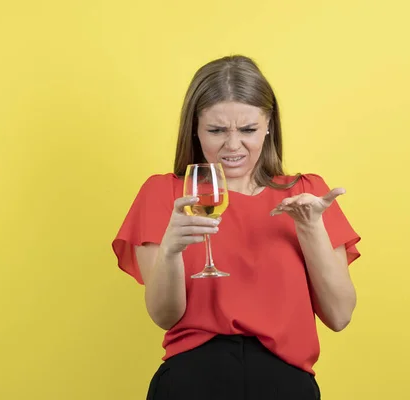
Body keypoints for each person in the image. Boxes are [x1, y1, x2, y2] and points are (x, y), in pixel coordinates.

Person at [112, 55, 361, 400]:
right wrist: (170, 250)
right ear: (194, 129)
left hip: (286, 386)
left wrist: (311, 229)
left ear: (269, 125)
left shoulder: (305, 193)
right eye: (216, 130)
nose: (232, 146)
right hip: (192, 384)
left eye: (247, 130)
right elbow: (164, 316)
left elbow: (339, 315)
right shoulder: (167, 194)